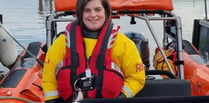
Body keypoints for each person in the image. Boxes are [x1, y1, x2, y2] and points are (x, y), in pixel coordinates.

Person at [42, 0, 145, 102]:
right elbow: (49, 77)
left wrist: (122, 97)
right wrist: (52, 100)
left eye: (98, 10)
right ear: (80, 13)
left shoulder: (124, 44)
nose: (93, 15)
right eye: (87, 10)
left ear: (105, 11)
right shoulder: (61, 43)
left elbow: (136, 78)